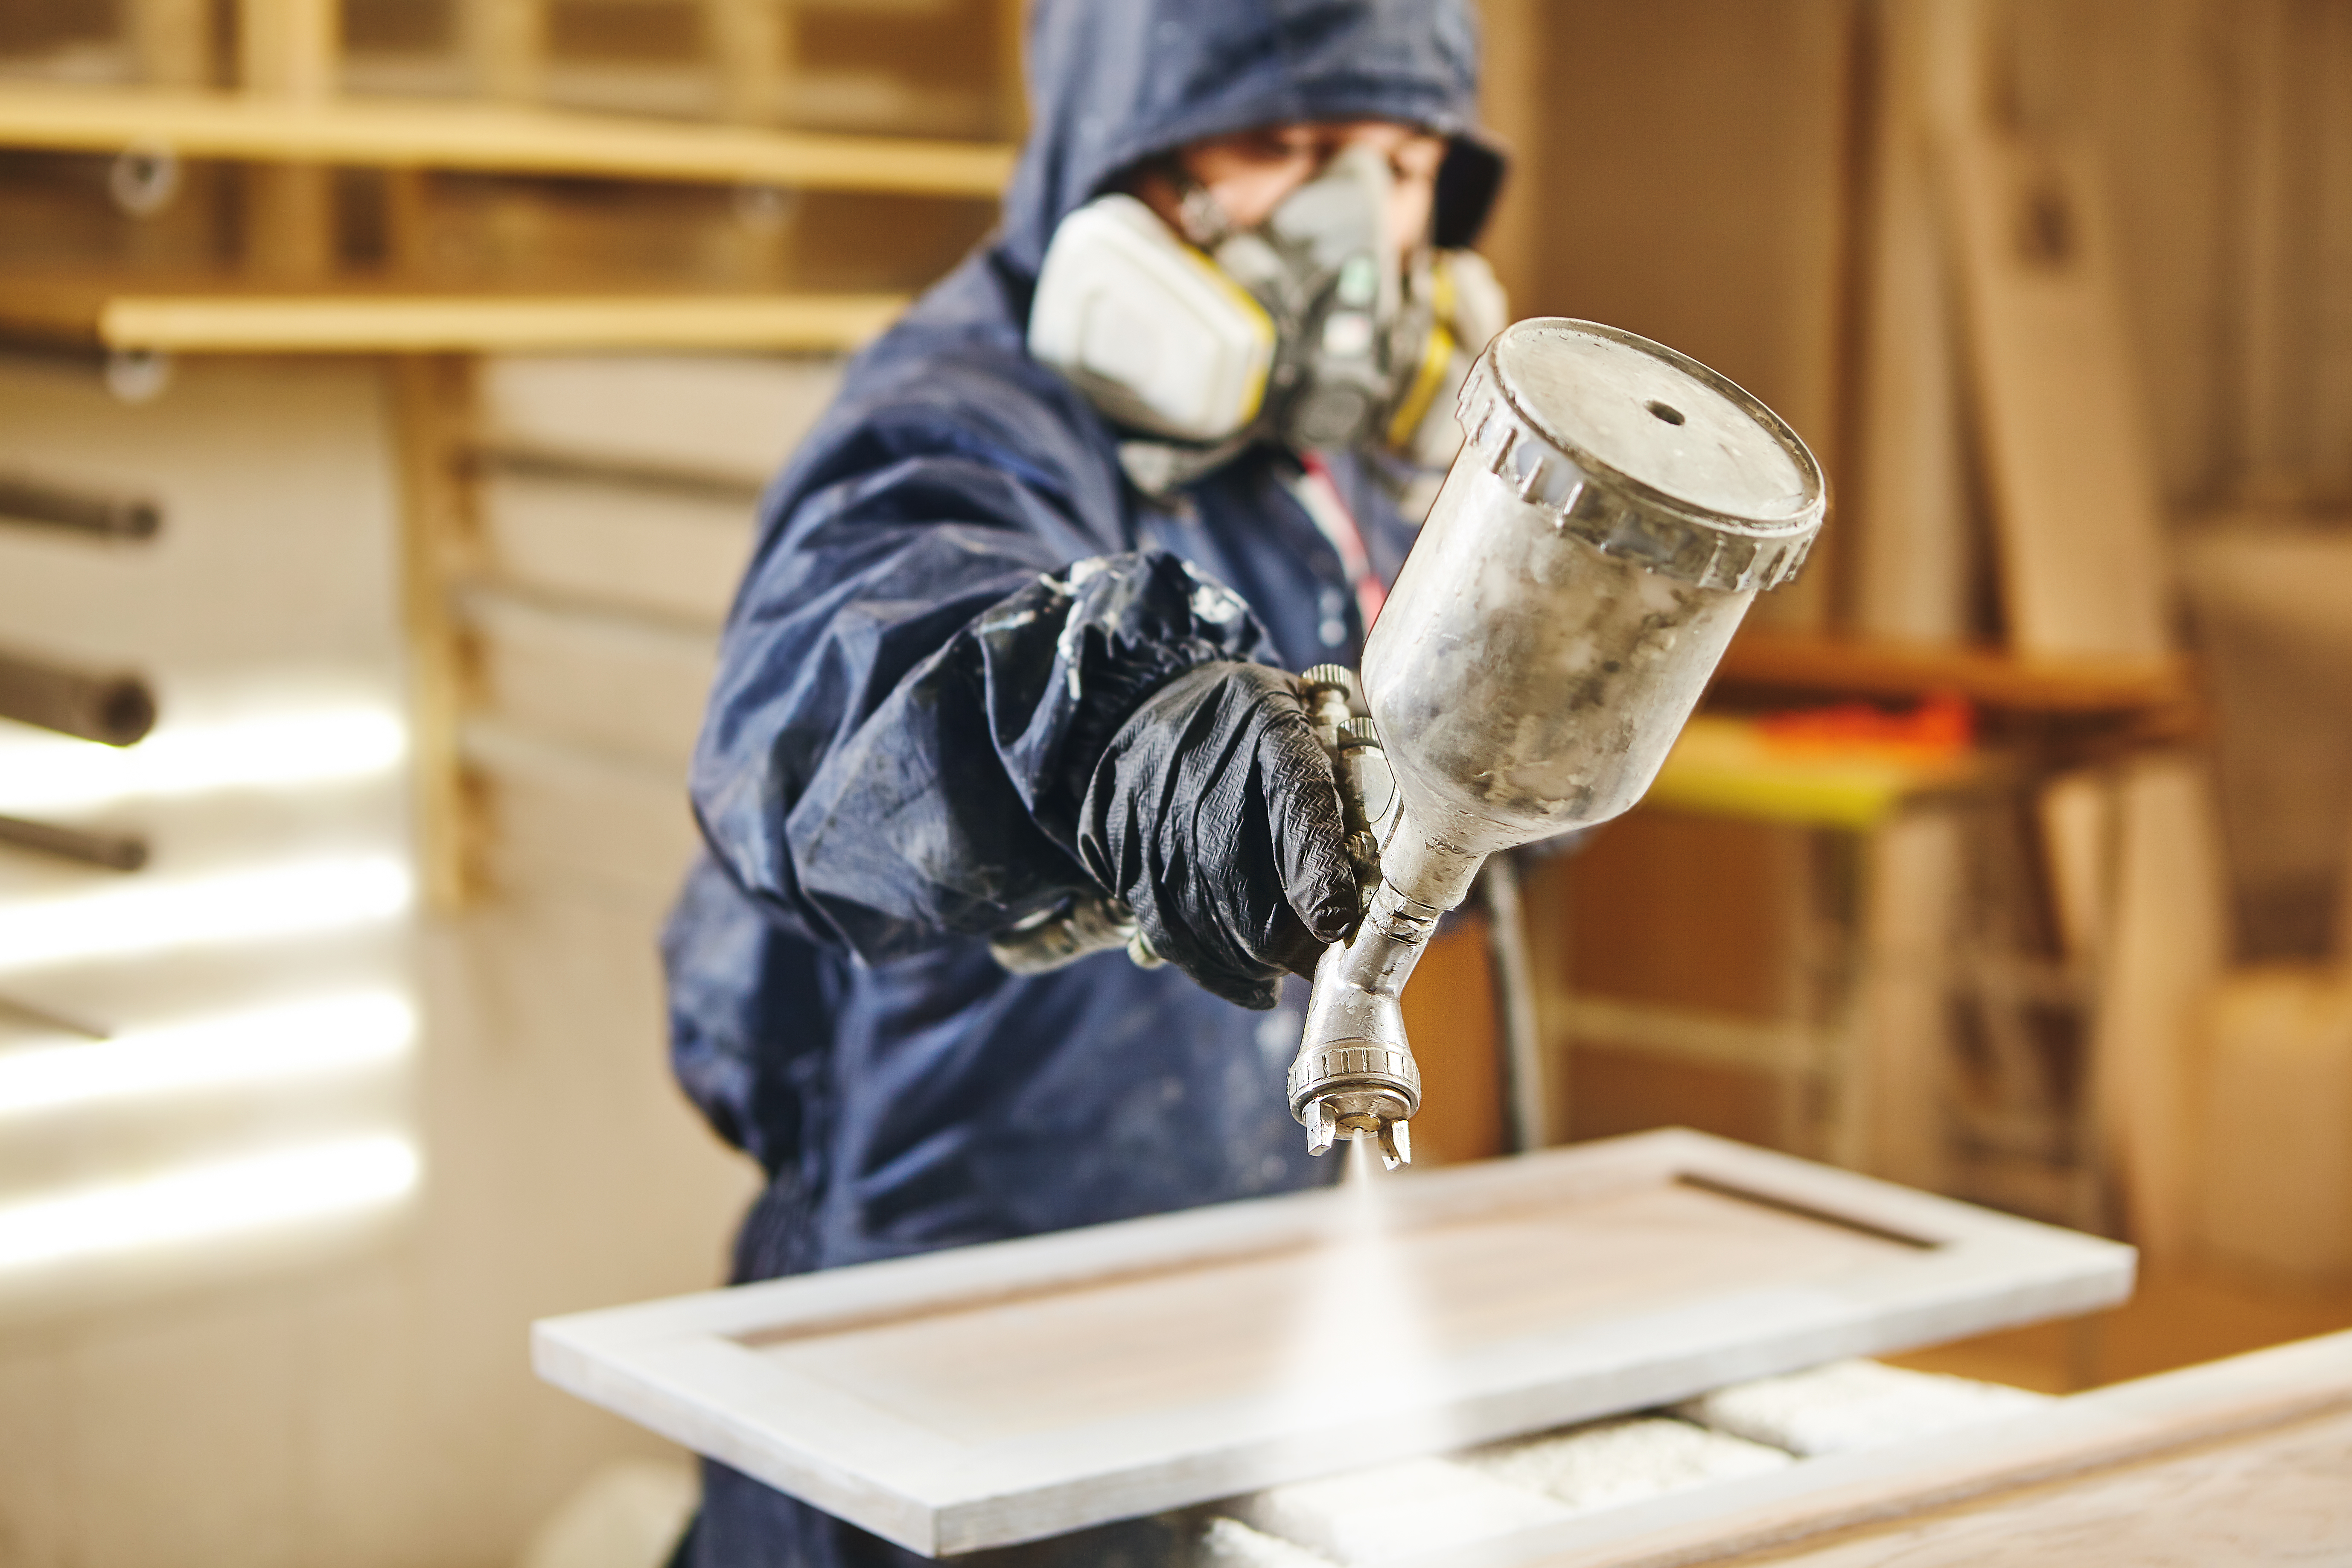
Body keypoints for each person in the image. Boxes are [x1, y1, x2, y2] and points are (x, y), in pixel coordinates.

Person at [661, 2, 1505, 1562]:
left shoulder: (1314, 469)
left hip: (1223, 1330)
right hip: (933, 1344)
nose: (1359, 227)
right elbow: (832, 688)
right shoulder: (966, 414)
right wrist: (1121, 728)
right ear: (1125, 148)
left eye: (1398, 163)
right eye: (1287, 147)